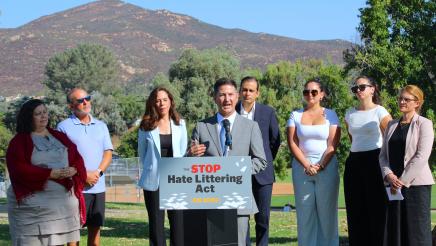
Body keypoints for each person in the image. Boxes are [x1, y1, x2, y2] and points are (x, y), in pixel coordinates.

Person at [189, 78, 268, 245]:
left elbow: (261, 161)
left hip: (238, 199)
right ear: (215, 97)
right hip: (209, 200)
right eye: (222, 95)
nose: (227, 99)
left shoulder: (251, 126)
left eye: (230, 94)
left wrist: (235, 170)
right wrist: (190, 155)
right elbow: (190, 164)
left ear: (237, 96)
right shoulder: (201, 126)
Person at [6, 99, 86, 246]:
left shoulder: (60, 137)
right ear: (29, 117)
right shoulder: (19, 141)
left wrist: (74, 169)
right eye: (38, 114)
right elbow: (18, 169)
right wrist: (49, 174)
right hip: (33, 208)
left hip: (62, 207)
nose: (43, 116)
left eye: (45, 112)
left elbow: (77, 158)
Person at [286, 79, 341, 245]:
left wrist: (321, 165)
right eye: (306, 92)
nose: (310, 95)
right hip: (302, 168)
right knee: (305, 213)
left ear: (322, 94)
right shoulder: (295, 115)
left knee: (327, 213)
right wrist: (306, 165)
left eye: (314, 92)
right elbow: (292, 142)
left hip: (327, 167)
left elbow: (333, 144)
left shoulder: (331, 115)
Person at [379, 85, 434, 245]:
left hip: (416, 186)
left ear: (417, 103)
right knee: (396, 229)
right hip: (393, 185)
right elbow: (383, 155)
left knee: (417, 232)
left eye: (406, 99)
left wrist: (402, 181)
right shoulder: (391, 125)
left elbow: (422, 156)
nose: (402, 101)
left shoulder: (424, 124)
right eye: (400, 98)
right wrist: (388, 175)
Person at [58, 88, 113, 246]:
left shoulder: (101, 126)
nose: (85, 102)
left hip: (98, 187)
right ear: (71, 106)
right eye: (80, 100)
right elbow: (61, 159)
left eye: (87, 98)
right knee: (72, 233)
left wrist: (97, 173)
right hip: (75, 189)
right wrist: (83, 176)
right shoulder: (63, 127)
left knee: (95, 232)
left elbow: (107, 154)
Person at [344, 76, 392, 246]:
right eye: (355, 88)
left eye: (362, 87)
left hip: (375, 161)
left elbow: (390, 140)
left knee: (377, 210)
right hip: (354, 163)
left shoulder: (380, 111)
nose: (358, 91)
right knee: (355, 210)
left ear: (372, 89)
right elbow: (353, 140)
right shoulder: (349, 113)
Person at [137, 87, 187, 246]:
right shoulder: (145, 126)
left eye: (165, 99)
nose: (161, 103)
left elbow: (184, 151)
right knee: (156, 226)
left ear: (171, 101)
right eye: (158, 100)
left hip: (176, 180)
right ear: (153, 103)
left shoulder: (181, 124)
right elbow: (143, 155)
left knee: (178, 225)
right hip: (154, 181)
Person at [236, 76, 280, 246]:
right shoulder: (231, 111)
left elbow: (274, 140)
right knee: (241, 219)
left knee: (262, 219)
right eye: (244, 90)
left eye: (251, 90)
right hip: (237, 173)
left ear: (257, 93)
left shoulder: (267, 112)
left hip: (263, 174)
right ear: (239, 92)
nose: (247, 93)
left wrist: (264, 159)